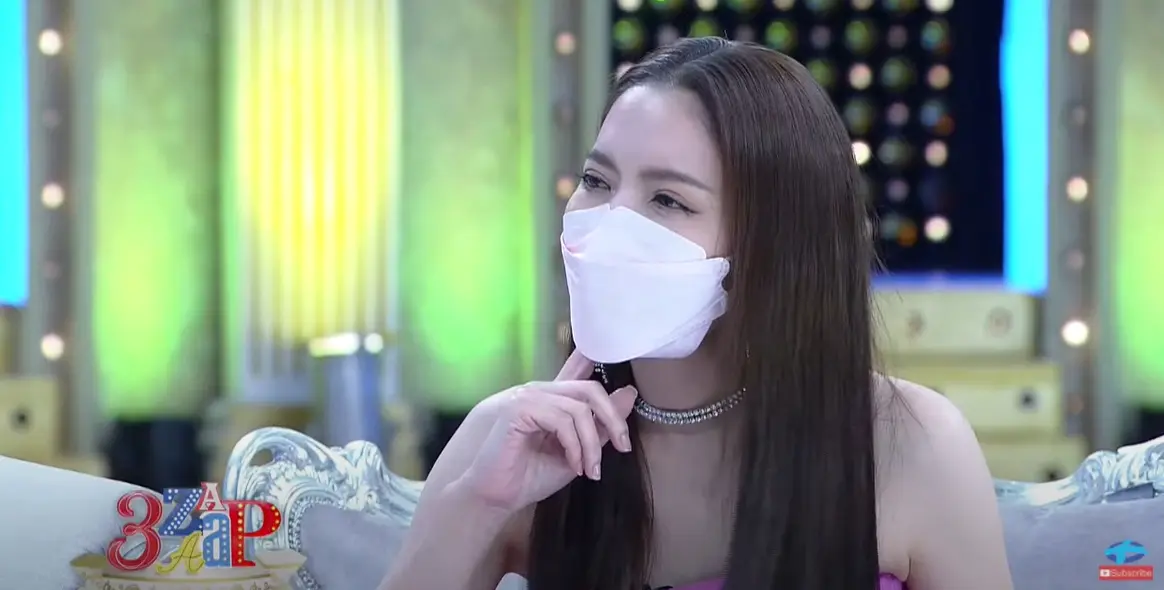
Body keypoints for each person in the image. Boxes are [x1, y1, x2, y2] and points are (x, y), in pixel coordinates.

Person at [379, 37, 1012, 590]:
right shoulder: (511, 437)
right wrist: (477, 507)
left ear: (775, 245)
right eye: (597, 181)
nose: (609, 226)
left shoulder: (910, 445)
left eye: (667, 200)